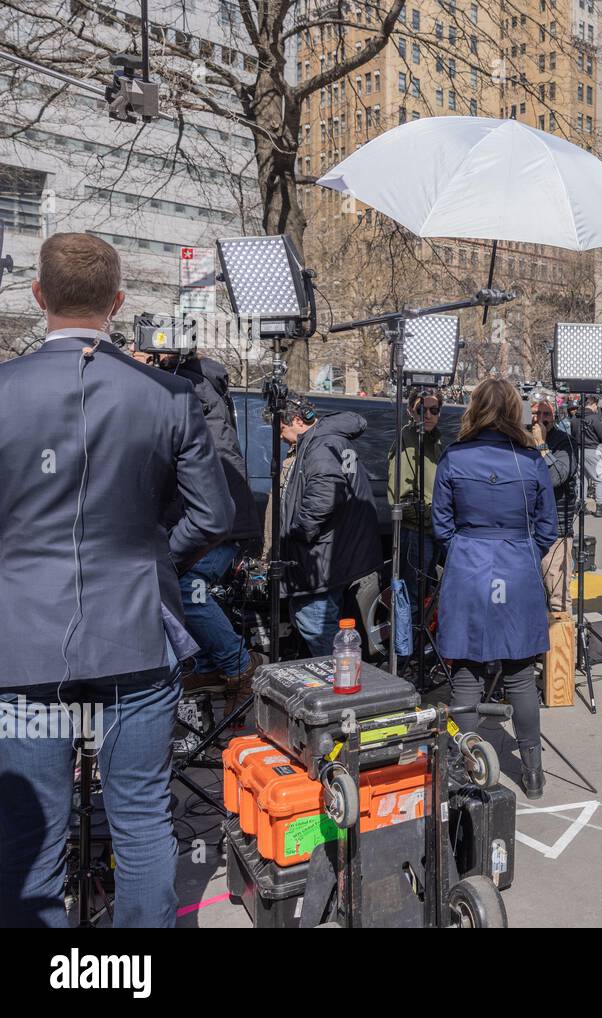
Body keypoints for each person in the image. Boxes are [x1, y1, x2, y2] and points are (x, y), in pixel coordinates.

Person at [0, 233, 233, 927]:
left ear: (39, 297)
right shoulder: (164, 394)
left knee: (29, 837)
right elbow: (214, 513)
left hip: (23, 646)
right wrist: (158, 557)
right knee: (138, 821)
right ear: (117, 302)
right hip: (134, 636)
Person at [432, 378, 557, 799]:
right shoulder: (531, 459)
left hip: (468, 565)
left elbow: (441, 525)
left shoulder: (455, 456)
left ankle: (465, 770)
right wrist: (519, 552)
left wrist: (468, 550)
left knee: (466, 672)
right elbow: (548, 528)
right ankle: (533, 772)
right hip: (516, 565)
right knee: (521, 673)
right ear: (514, 410)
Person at [144, 347, 265, 708]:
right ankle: (214, 664)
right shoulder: (201, 385)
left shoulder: (188, 387)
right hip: (220, 520)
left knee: (183, 586)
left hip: (222, 526)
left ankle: (238, 665)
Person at [273, 394, 383, 657]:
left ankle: (336, 681)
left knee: (315, 622)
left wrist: (298, 532)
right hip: (331, 549)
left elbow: (324, 496)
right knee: (317, 618)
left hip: (321, 554)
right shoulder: (328, 440)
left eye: (282, 429)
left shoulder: (321, 445)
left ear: (298, 421)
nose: (280, 436)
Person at [387, 388, 445, 654]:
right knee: (411, 596)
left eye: (435, 410)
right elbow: (400, 497)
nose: (429, 415)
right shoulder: (406, 439)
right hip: (417, 531)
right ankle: (408, 656)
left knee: (432, 594)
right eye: (423, 409)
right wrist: (433, 515)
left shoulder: (439, 440)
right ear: (411, 410)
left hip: (438, 529)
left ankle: (427, 649)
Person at [530, 397, 578, 613]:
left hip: (556, 532)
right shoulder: (520, 440)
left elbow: (555, 476)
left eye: (546, 414)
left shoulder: (565, 442)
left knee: (557, 598)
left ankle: (562, 647)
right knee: (530, 598)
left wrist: (541, 445)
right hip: (525, 531)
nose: (541, 419)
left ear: (555, 416)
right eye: (536, 414)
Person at [574, 394, 602, 518]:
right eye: (597, 406)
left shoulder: (575, 418)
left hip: (578, 450)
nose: (597, 409)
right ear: (593, 404)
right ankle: (600, 507)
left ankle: (580, 505)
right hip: (592, 450)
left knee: (581, 478)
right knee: (600, 478)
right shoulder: (594, 418)